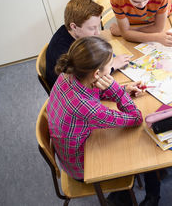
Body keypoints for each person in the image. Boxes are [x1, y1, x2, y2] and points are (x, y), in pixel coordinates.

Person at [47, 37, 161, 206]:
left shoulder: (68, 75)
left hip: (70, 153)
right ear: (96, 74)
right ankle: (147, 196)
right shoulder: (87, 108)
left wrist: (123, 89)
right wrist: (117, 92)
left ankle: (127, 194)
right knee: (146, 146)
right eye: (110, 65)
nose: (111, 67)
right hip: (85, 167)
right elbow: (136, 118)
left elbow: (92, 93)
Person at [45, 0, 131, 88]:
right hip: (72, 94)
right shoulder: (63, 51)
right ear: (74, 27)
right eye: (92, 28)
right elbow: (86, 83)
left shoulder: (72, 33)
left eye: (98, 26)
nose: (97, 33)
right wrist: (112, 65)